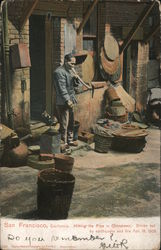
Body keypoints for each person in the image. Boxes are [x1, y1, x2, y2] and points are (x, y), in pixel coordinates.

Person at [53, 53, 80, 150]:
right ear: (65, 61)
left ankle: (70, 140)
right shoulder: (59, 72)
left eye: (74, 64)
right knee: (64, 123)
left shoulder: (70, 71)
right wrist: (67, 100)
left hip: (71, 100)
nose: (73, 66)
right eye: (71, 63)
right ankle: (63, 143)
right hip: (63, 101)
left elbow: (75, 87)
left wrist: (76, 79)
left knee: (71, 121)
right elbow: (62, 88)